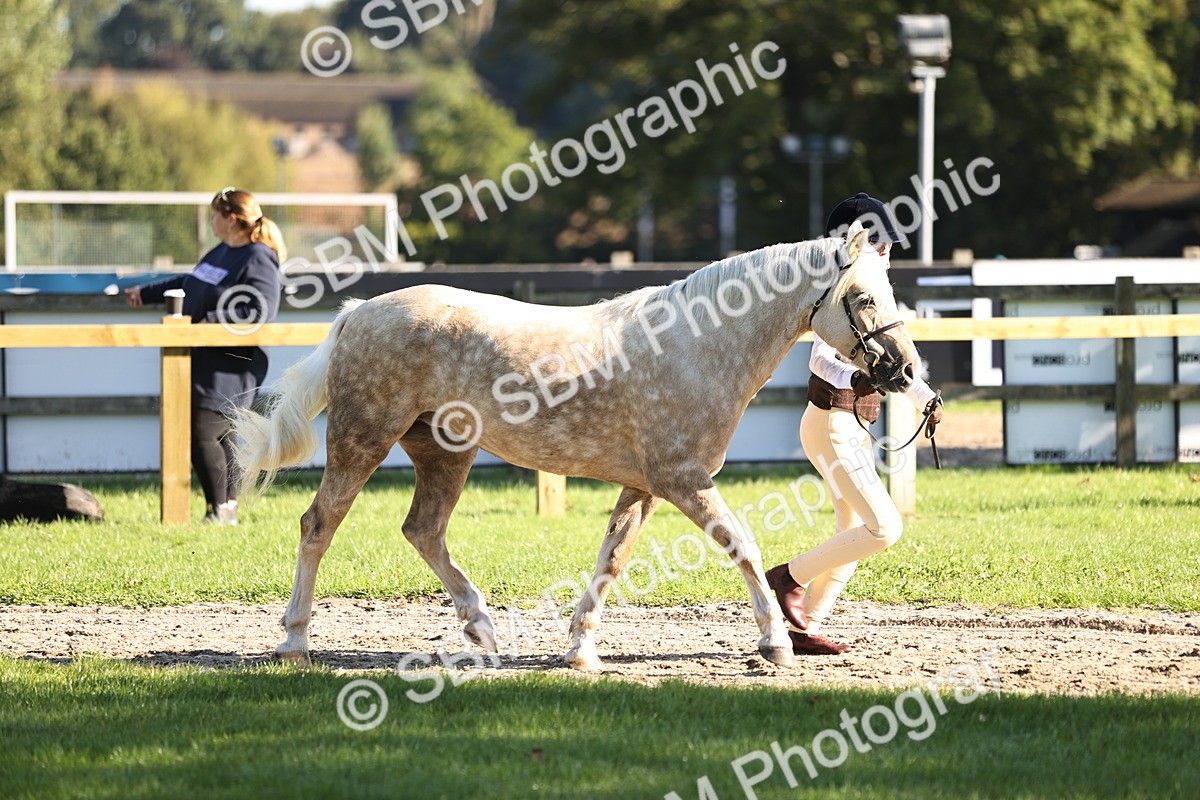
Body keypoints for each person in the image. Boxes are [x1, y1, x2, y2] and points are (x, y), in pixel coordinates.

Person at [766, 192, 944, 655]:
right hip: (831, 424)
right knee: (884, 528)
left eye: (888, 244)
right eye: (879, 244)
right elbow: (823, 362)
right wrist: (861, 376)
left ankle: (803, 631)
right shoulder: (842, 296)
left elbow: (894, 365)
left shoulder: (875, 293)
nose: (888, 252)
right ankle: (787, 578)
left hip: (849, 427)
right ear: (854, 245)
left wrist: (924, 397)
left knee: (853, 538)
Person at [126, 187, 284, 525]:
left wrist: (208, 322)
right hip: (202, 353)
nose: (211, 221)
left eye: (214, 214)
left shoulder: (258, 257)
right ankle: (226, 509)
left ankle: (219, 510)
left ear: (231, 218)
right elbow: (191, 282)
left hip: (233, 360)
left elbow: (260, 309)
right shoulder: (221, 252)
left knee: (201, 430)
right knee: (219, 433)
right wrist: (146, 293)